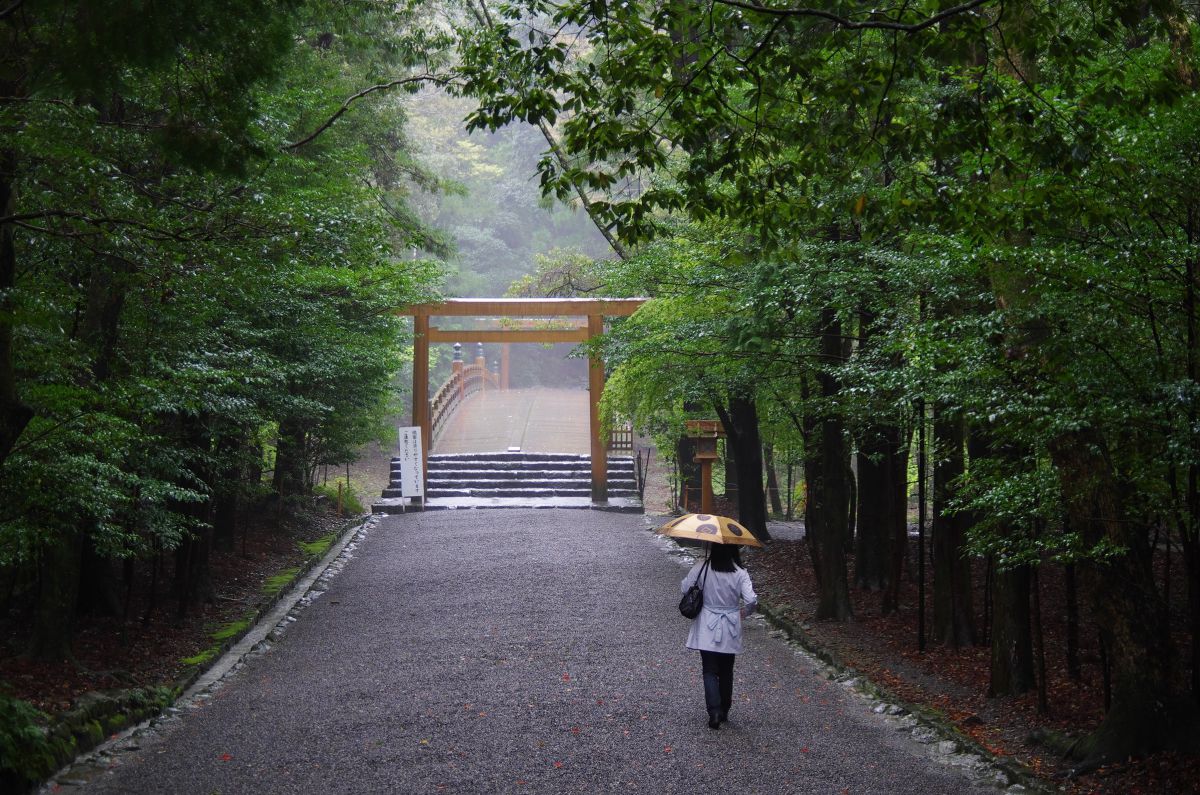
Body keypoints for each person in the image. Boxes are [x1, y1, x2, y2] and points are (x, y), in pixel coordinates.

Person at [680, 542, 757, 729]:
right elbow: (752, 599)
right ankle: (724, 709)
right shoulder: (740, 572)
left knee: (709, 670)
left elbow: (685, 588)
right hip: (730, 623)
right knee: (726, 670)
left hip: (707, 623)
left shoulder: (703, 567)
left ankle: (713, 711)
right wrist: (743, 613)